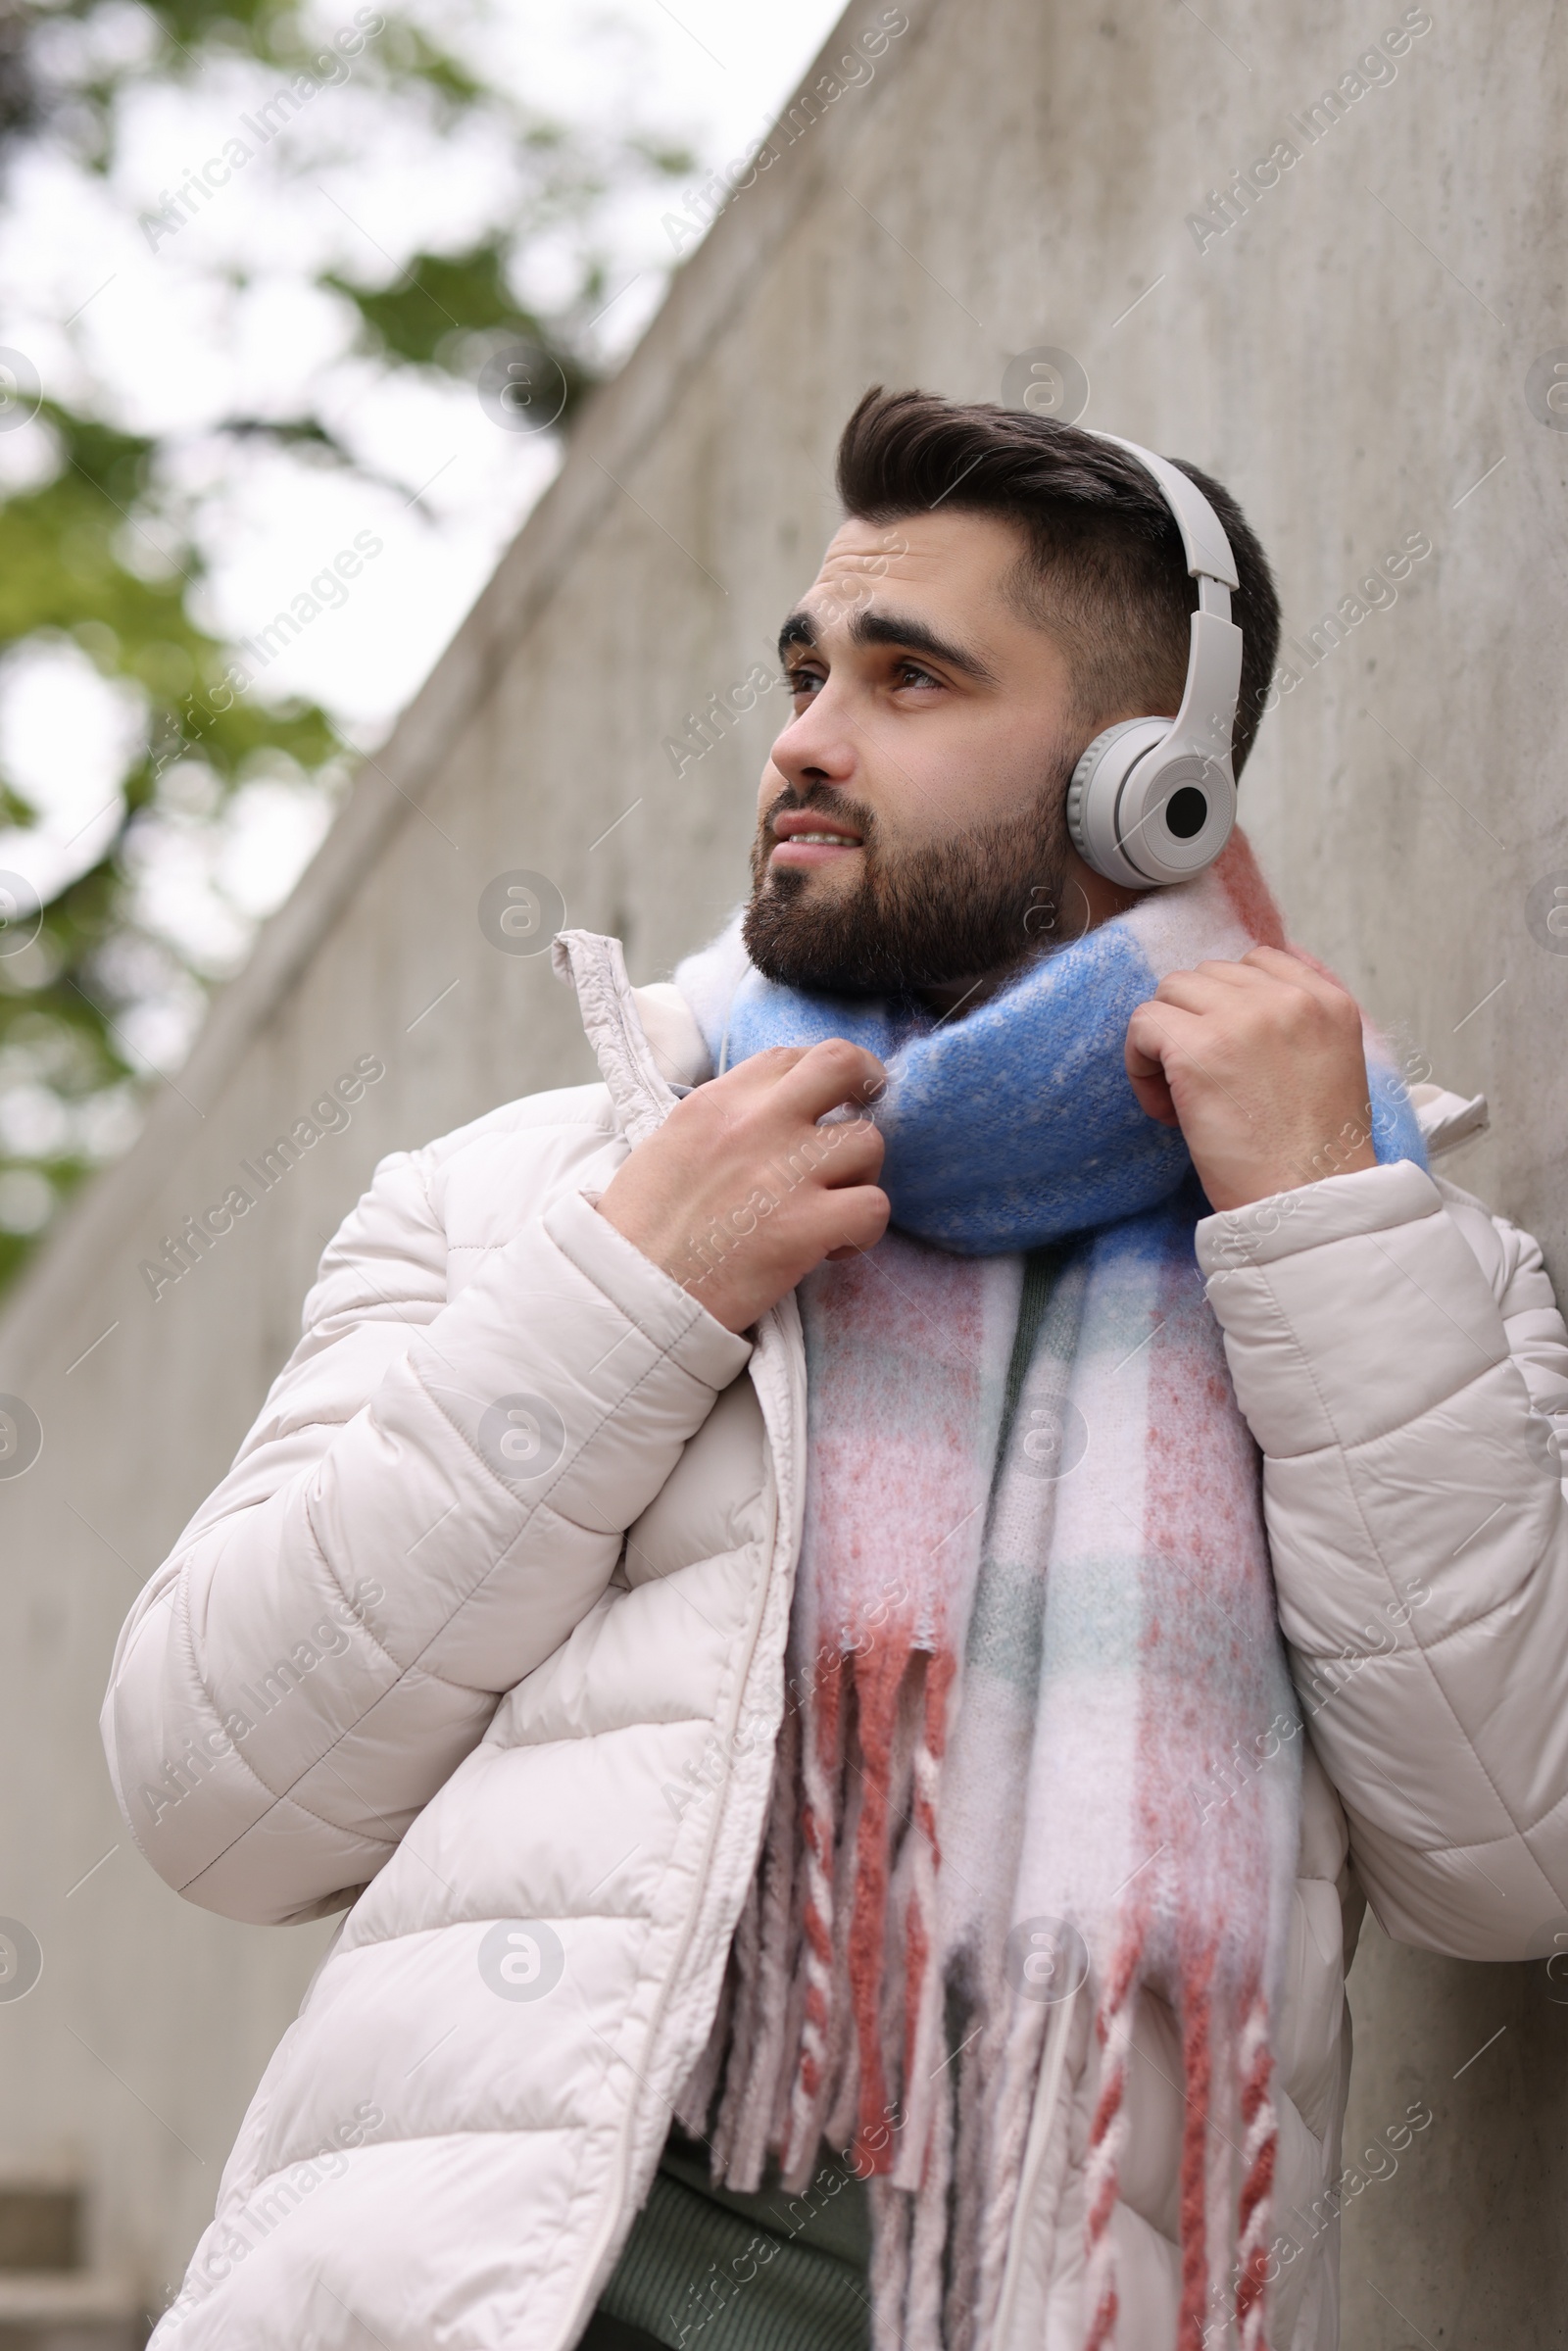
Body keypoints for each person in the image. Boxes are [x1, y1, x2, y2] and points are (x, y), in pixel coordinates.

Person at [104, 390, 1568, 2351]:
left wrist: (1313, 1217)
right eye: (805, 668)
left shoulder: (1376, 1263)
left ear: (1147, 785)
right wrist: (629, 1292)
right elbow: (217, 1793)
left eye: (907, 676)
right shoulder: (530, 1198)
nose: (802, 734)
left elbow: (1511, 1857)